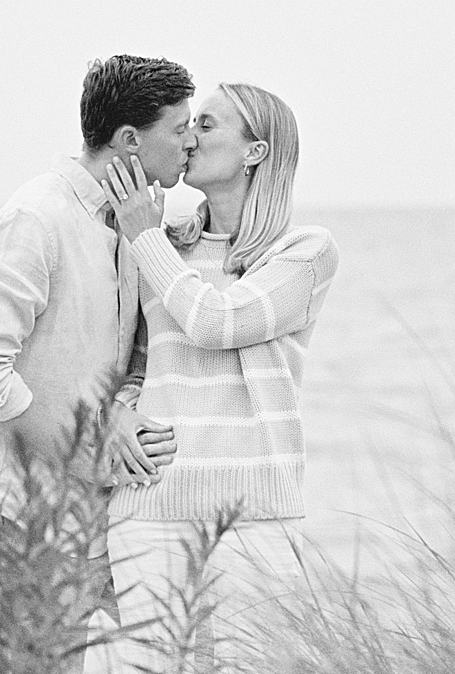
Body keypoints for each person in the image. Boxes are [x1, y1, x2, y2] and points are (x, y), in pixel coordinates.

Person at [0, 54, 195, 670]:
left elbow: (104, 361)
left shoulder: (134, 224)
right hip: (22, 513)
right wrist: (88, 438)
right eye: (180, 127)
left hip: (89, 511)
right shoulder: (36, 219)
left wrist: (118, 409)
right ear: (130, 139)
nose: (190, 141)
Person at [98, 82, 340, 670]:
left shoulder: (302, 252)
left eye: (206, 125)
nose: (187, 137)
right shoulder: (161, 244)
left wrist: (144, 237)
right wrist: (116, 414)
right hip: (150, 503)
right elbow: (138, 362)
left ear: (254, 152)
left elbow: (215, 321)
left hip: (253, 513)